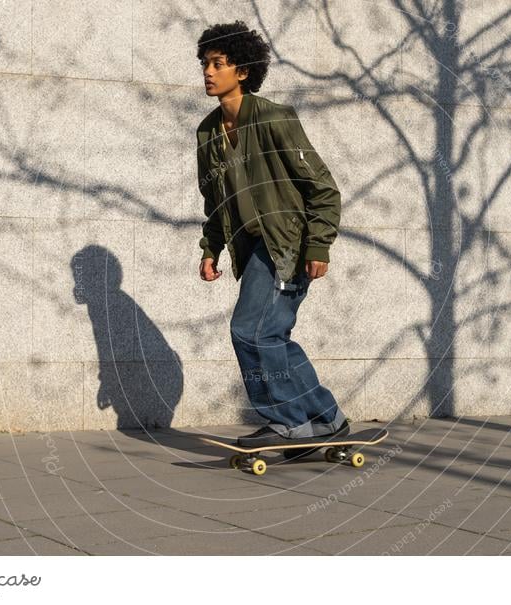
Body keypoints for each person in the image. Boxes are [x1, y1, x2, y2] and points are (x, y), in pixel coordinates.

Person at [196, 20, 350, 450]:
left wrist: (318, 244)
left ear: (242, 71)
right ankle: (325, 418)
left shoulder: (275, 118)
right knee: (272, 335)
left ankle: (288, 423)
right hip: (255, 247)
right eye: (205, 64)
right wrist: (212, 247)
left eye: (219, 63)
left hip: (288, 245)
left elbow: (322, 187)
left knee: (252, 332)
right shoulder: (207, 133)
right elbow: (216, 200)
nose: (208, 72)